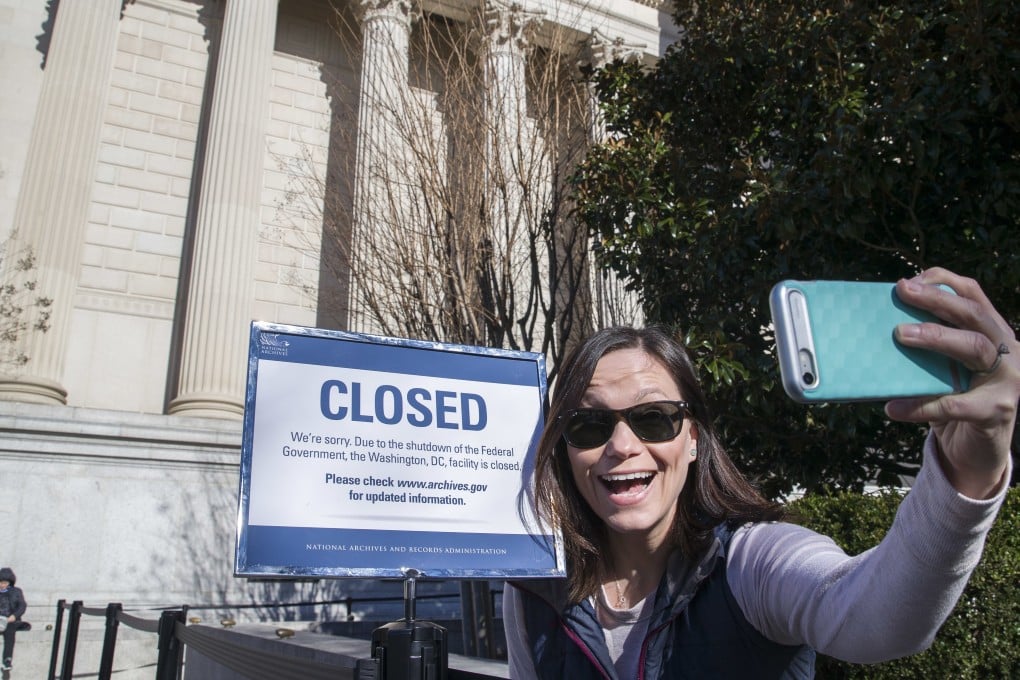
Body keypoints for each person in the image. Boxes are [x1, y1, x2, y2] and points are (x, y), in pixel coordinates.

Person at [503, 268, 1016, 679]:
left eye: (653, 418)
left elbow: (875, 617)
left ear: (694, 439)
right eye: (590, 425)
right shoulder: (534, 593)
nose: (621, 446)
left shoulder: (751, 563)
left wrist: (965, 474)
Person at [0, 567, 29, 672]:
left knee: (10, 632)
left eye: (5, 582)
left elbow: (22, 606)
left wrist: (14, 616)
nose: (2, 585)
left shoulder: (16, 592)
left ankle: (7, 659)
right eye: (0, 582)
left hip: (11, 621)